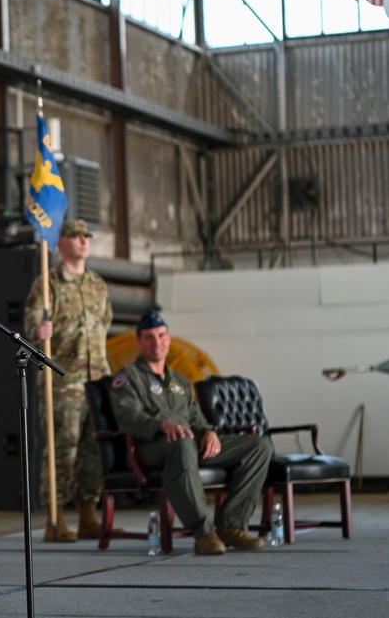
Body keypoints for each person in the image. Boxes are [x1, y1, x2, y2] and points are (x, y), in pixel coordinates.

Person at [110, 309, 271, 555]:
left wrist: (209, 433)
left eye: (161, 336)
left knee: (258, 447)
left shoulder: (179, 380)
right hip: (150, 447)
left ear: (169, 339)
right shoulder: (127, 377)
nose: (157, 343)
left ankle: (231, 525)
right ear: (139, 341)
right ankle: (204, 533)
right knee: (184, 442)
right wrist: (162, 425)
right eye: (150, 337)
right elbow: (127, 418)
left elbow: (196, 417)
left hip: (186, 443)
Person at [24, 219, 112, 542]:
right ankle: (55, 518)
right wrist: (38, 332)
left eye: (86, 236)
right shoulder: (48, 284)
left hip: (97, 379)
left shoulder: (98, 285)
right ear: (60, 243)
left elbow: (105, 322)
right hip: (64, 383)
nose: (83, 241)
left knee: (95, 450)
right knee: (63, 452)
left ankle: (88, 514)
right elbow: (33, 323)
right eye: (75, 236)